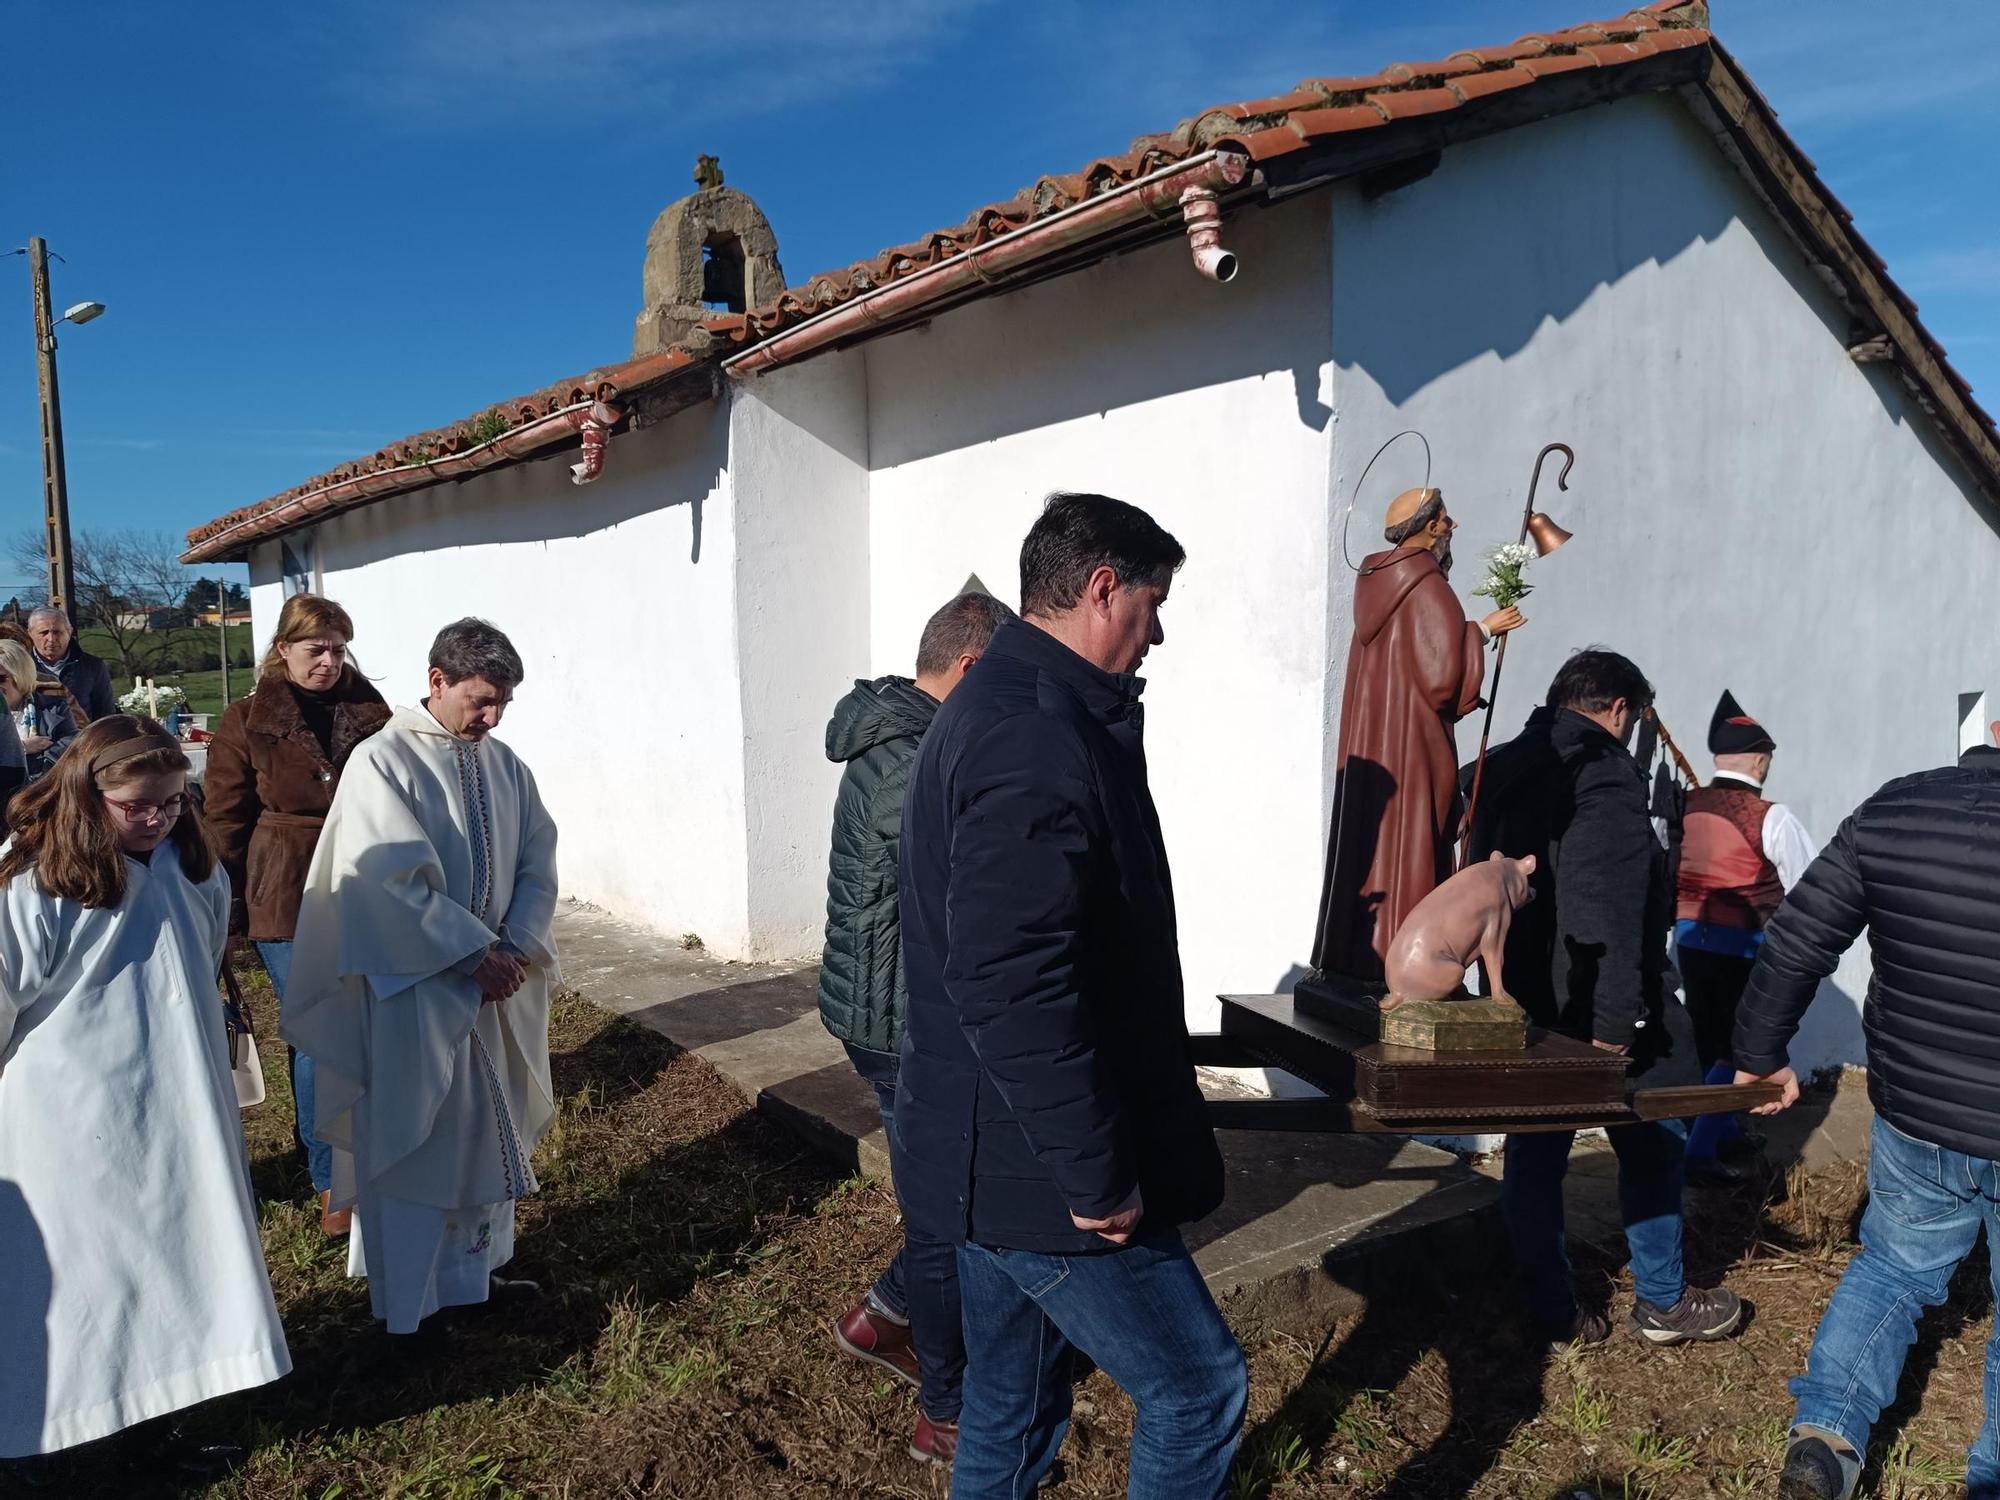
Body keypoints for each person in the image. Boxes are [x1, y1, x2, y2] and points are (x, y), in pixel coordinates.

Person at [898, 493, 1247, 1500]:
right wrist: (1094, 1175)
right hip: (1038, 1177)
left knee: (1011, 1407)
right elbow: (1009, 979)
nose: (1159, 629)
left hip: (984, 1157)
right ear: (1103, 588)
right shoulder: (1033, 733)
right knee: (1196, 1389)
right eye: (1152, 600)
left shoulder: (1001, 703)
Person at [0, 716, 290, 1472]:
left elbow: (196, 971)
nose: (158, 818)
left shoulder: (194, 870)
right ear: (86, 794)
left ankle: (156, 1424)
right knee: (86, 1275)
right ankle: (62, 1436)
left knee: (169, 1264)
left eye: (173, 801)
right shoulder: (35, 883)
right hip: (69, 1118)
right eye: (138, 806)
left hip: (177, 1102)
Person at [1733, 729, 2000, 1500]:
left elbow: (1796, 943)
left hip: (1916, 1112)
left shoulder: (1896, 810)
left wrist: (1758, 1052)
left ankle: (1825, 1437)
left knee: (1891, 1270)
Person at [282, 619, 558, 1337]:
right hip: (414, 986)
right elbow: (380, 879)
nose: (492, 717)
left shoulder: (506, 766)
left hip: (491, 988)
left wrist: (517, 946)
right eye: (480, 700)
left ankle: (476, 1275)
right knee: (418, 1137)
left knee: (479, 1132)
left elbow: (537, 860)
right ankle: (415, 1305)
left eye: (503, 703)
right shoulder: (384, 762)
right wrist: (472, 952)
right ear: (437, 681)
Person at [1467, 649, 1741, 1347]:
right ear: (1618, 709)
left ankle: (1552, 1308)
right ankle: (1662, 1301)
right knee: (1652, 1139)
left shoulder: (1498, 766)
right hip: (1594, 1003)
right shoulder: (1605, 776)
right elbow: (1608, 905)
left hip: (1520, 999)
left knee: (1535, 1147)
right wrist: (1616, 1021)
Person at [820, 590, 1015, 1465]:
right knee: (946, 1218)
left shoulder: (896, 733)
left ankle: (884, 1316)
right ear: (970, 669)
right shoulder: (920, 758)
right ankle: (945, 1409)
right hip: (903, 1024)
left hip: (876, 1008)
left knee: (942, 1199)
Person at [203, 594, 391, 1236]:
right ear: (283, 650)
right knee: (319, 1030)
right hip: (284, 887)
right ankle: (331, 1178)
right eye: (317, 650)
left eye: (339, 649)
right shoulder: (246, 720)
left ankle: (376, 1152)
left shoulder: (371, 711)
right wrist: (224, 912)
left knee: (369, 1023)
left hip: (366, 881)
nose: (330, 662)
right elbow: (224, 822)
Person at [1313, 485, 1526, 983]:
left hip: (1375, 745)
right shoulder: (1428, 588)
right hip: (1411, 752)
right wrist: (1484, 630)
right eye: (1446, 520)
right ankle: (1407, 964)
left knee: (1372, 842)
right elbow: (1441, 681)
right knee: (1411, 842)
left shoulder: (1376, 586)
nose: (1452, 527)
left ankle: (1357, 955)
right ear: (1430, 528)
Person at [1674, 690, 1816, 1184]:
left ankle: (1722, 1128)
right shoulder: (1772, 816)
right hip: (1747, 949)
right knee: (1737, 1049)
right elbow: (1808, 890)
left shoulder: (1684, 806)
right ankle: (1699, 1152)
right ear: (1760, 760)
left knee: (1706, 1037)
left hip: (1689, 943)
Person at [0, 638, 80, 782]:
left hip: (44, 790)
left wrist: (40, 778)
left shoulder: (54, 706)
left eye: (1, 678)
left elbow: (72, 743)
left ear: (20, 675)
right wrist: (23, 748)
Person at [25, 606, 115, 723]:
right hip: (36, 739)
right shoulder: (19, 668)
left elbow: (105, 715)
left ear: (69, 632)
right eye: (44, 632)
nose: (51, 639)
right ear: (30, 634)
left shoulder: (93, 666)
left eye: (57, 632)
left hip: (82, 738)